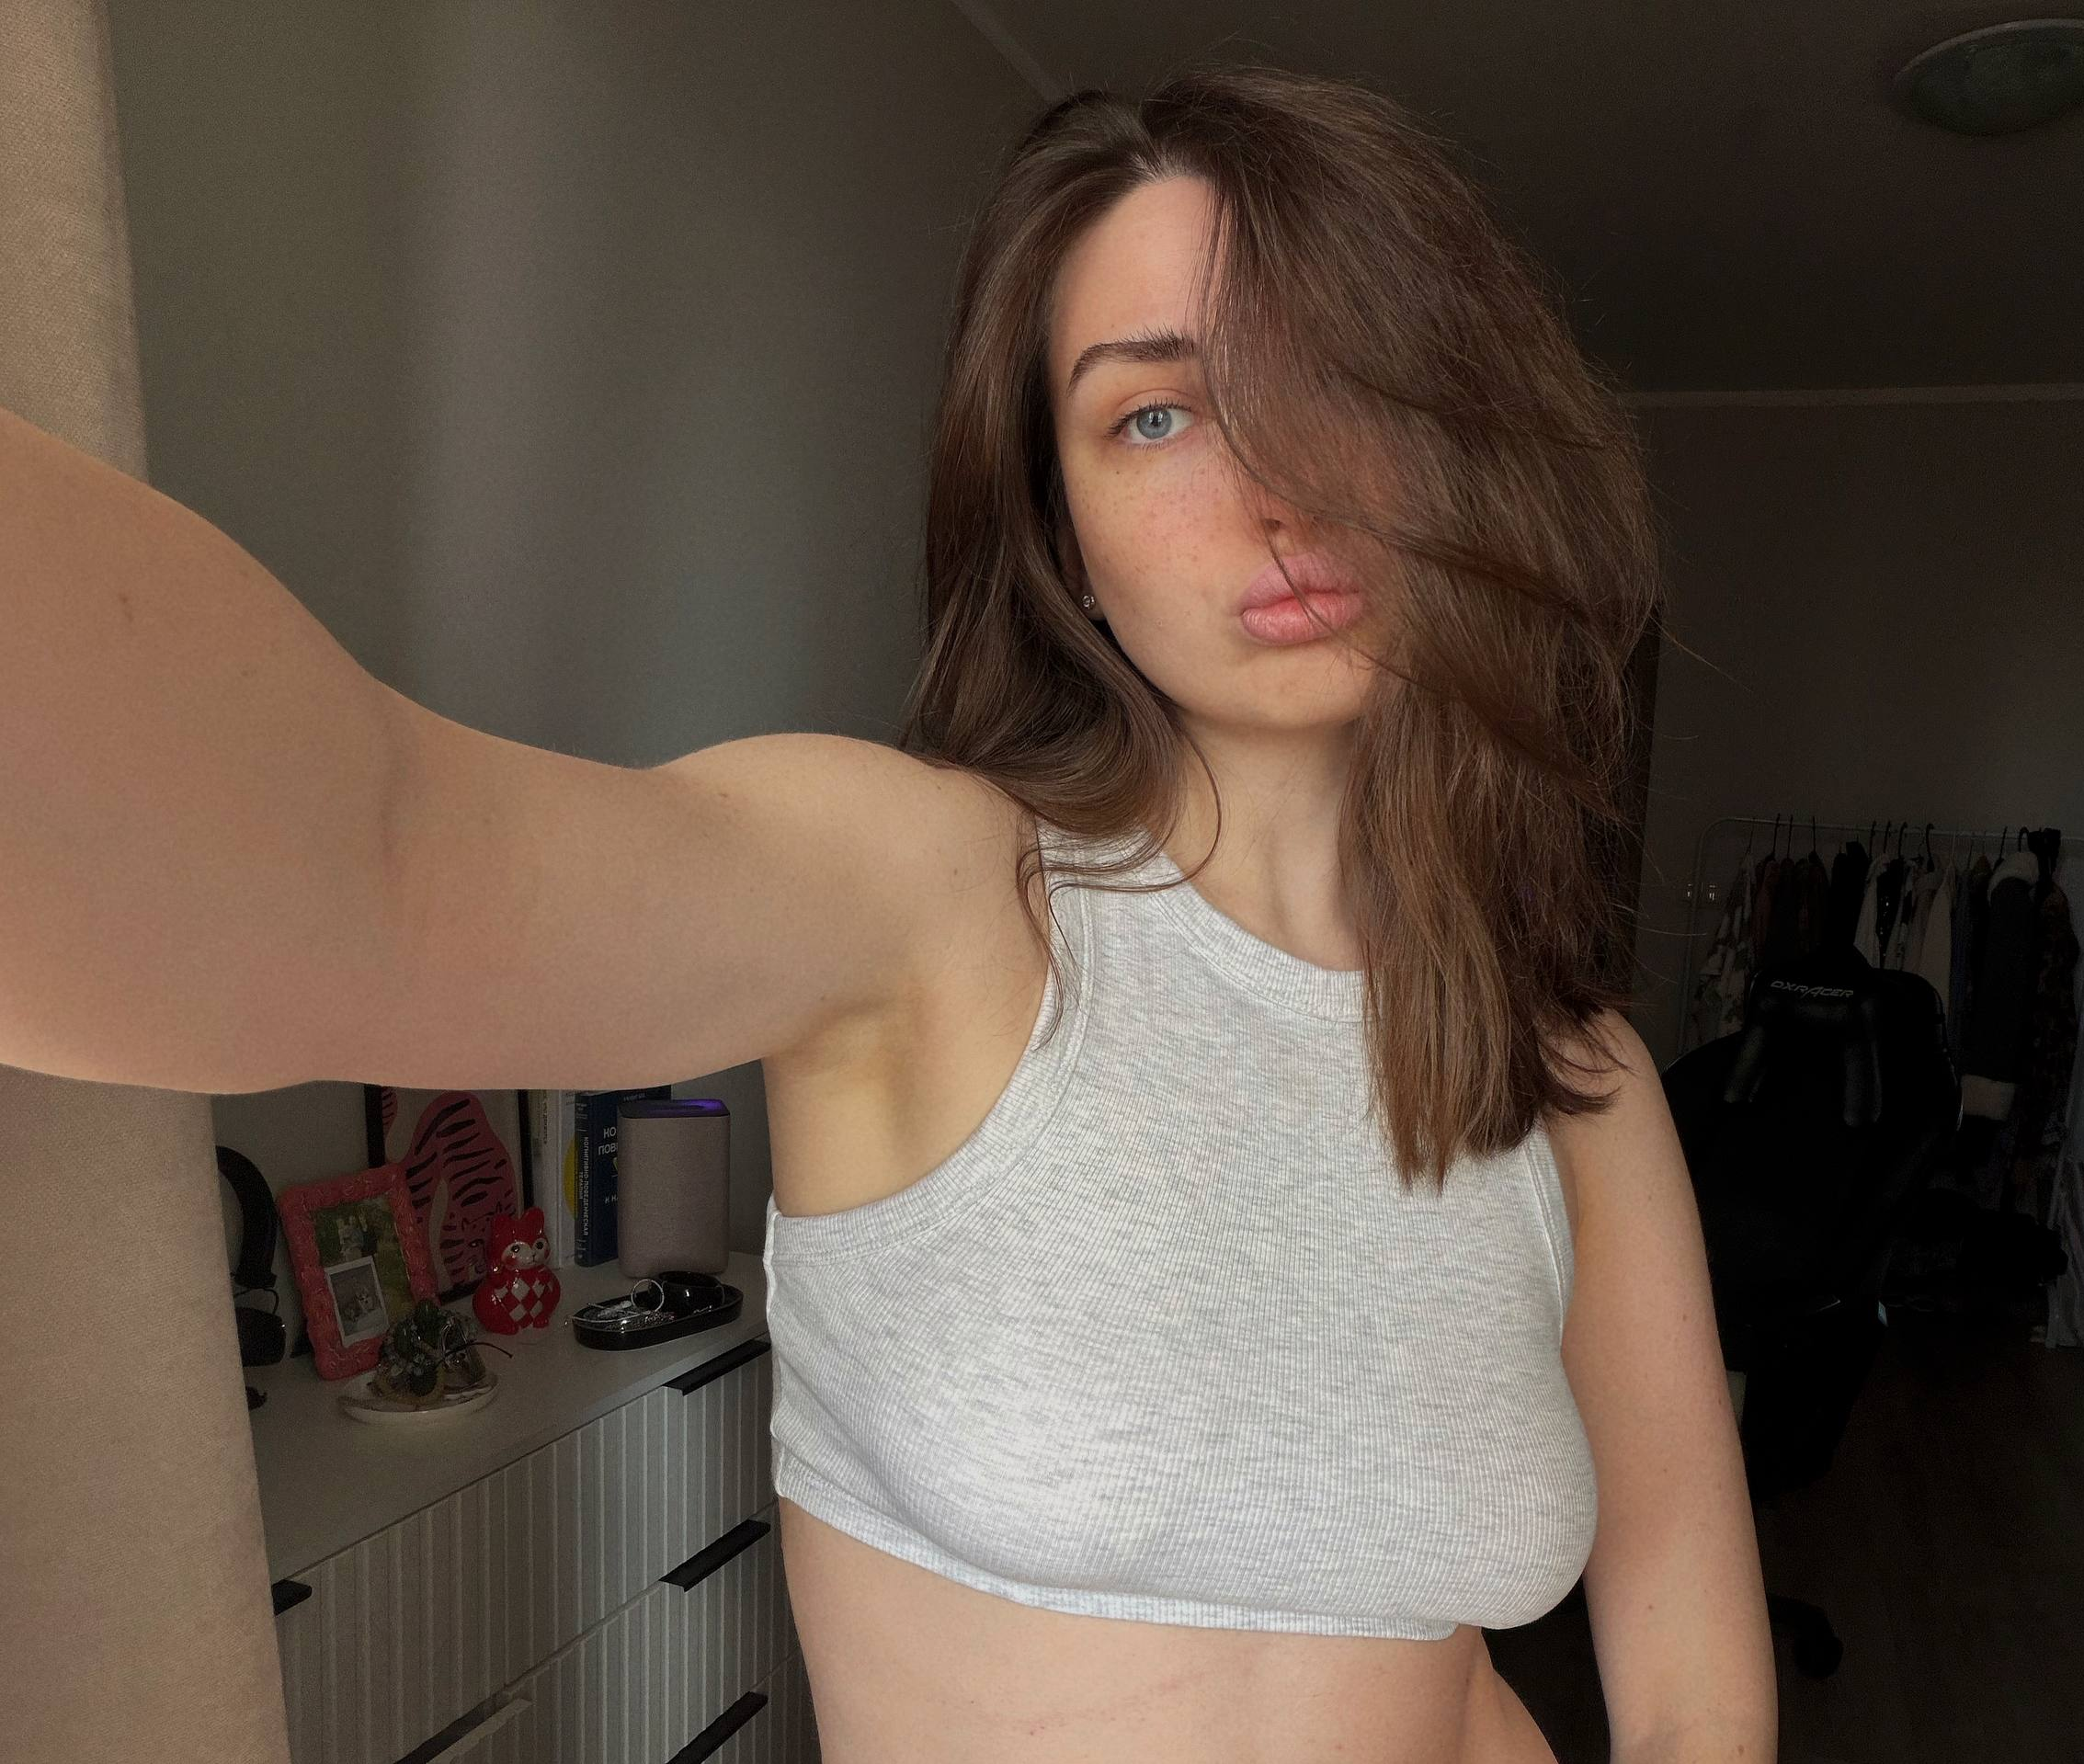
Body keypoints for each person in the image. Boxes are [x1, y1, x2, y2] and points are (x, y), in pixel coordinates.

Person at [0, 60, 1771, 1764]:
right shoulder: (923, 888)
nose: (1275, 486)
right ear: (1065, 541)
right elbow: (371, 858)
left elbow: (1695, 1683)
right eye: (1155, 414)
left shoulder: (1573, 1080)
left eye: (1341, 380)